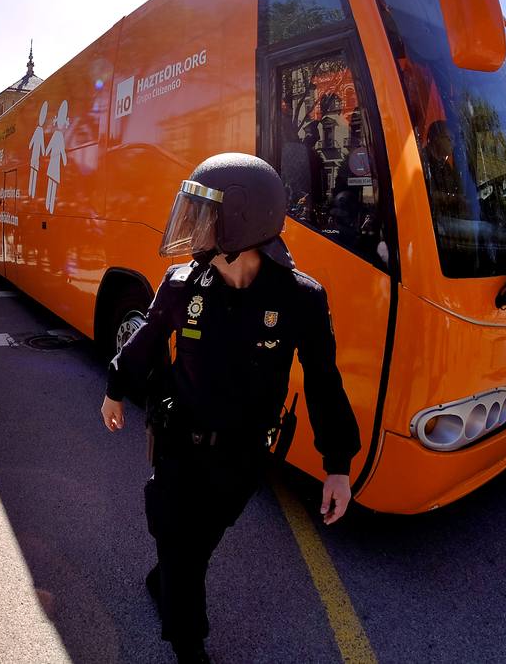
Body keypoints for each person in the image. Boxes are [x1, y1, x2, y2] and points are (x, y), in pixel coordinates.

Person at [100, 153, 359, 664]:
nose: (191, 227)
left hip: (242, 457)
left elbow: (325, 382)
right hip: (179, 443)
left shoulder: (301, 299)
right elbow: (145, 343)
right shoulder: (181, 284)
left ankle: (168, 578)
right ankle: (187, 640)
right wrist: (114, 388)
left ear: (240, 222)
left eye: (203, 214)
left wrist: (338, 467)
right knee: (176, 535)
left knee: (200, 541)